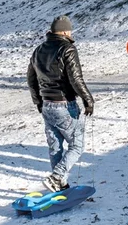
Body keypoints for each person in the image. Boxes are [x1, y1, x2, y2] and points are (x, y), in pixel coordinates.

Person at [27, 15, 94, 191]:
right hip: (64, 104)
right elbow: (75, 79)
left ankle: (59, 184)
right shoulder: (67, 49)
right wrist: (88, 99)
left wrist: (38, 101)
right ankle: (56, 177)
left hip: (47, 105)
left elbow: (31, 79)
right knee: (77, 146)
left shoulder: (39, 50)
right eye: (69, 30)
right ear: (64, 31)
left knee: (55, 146)